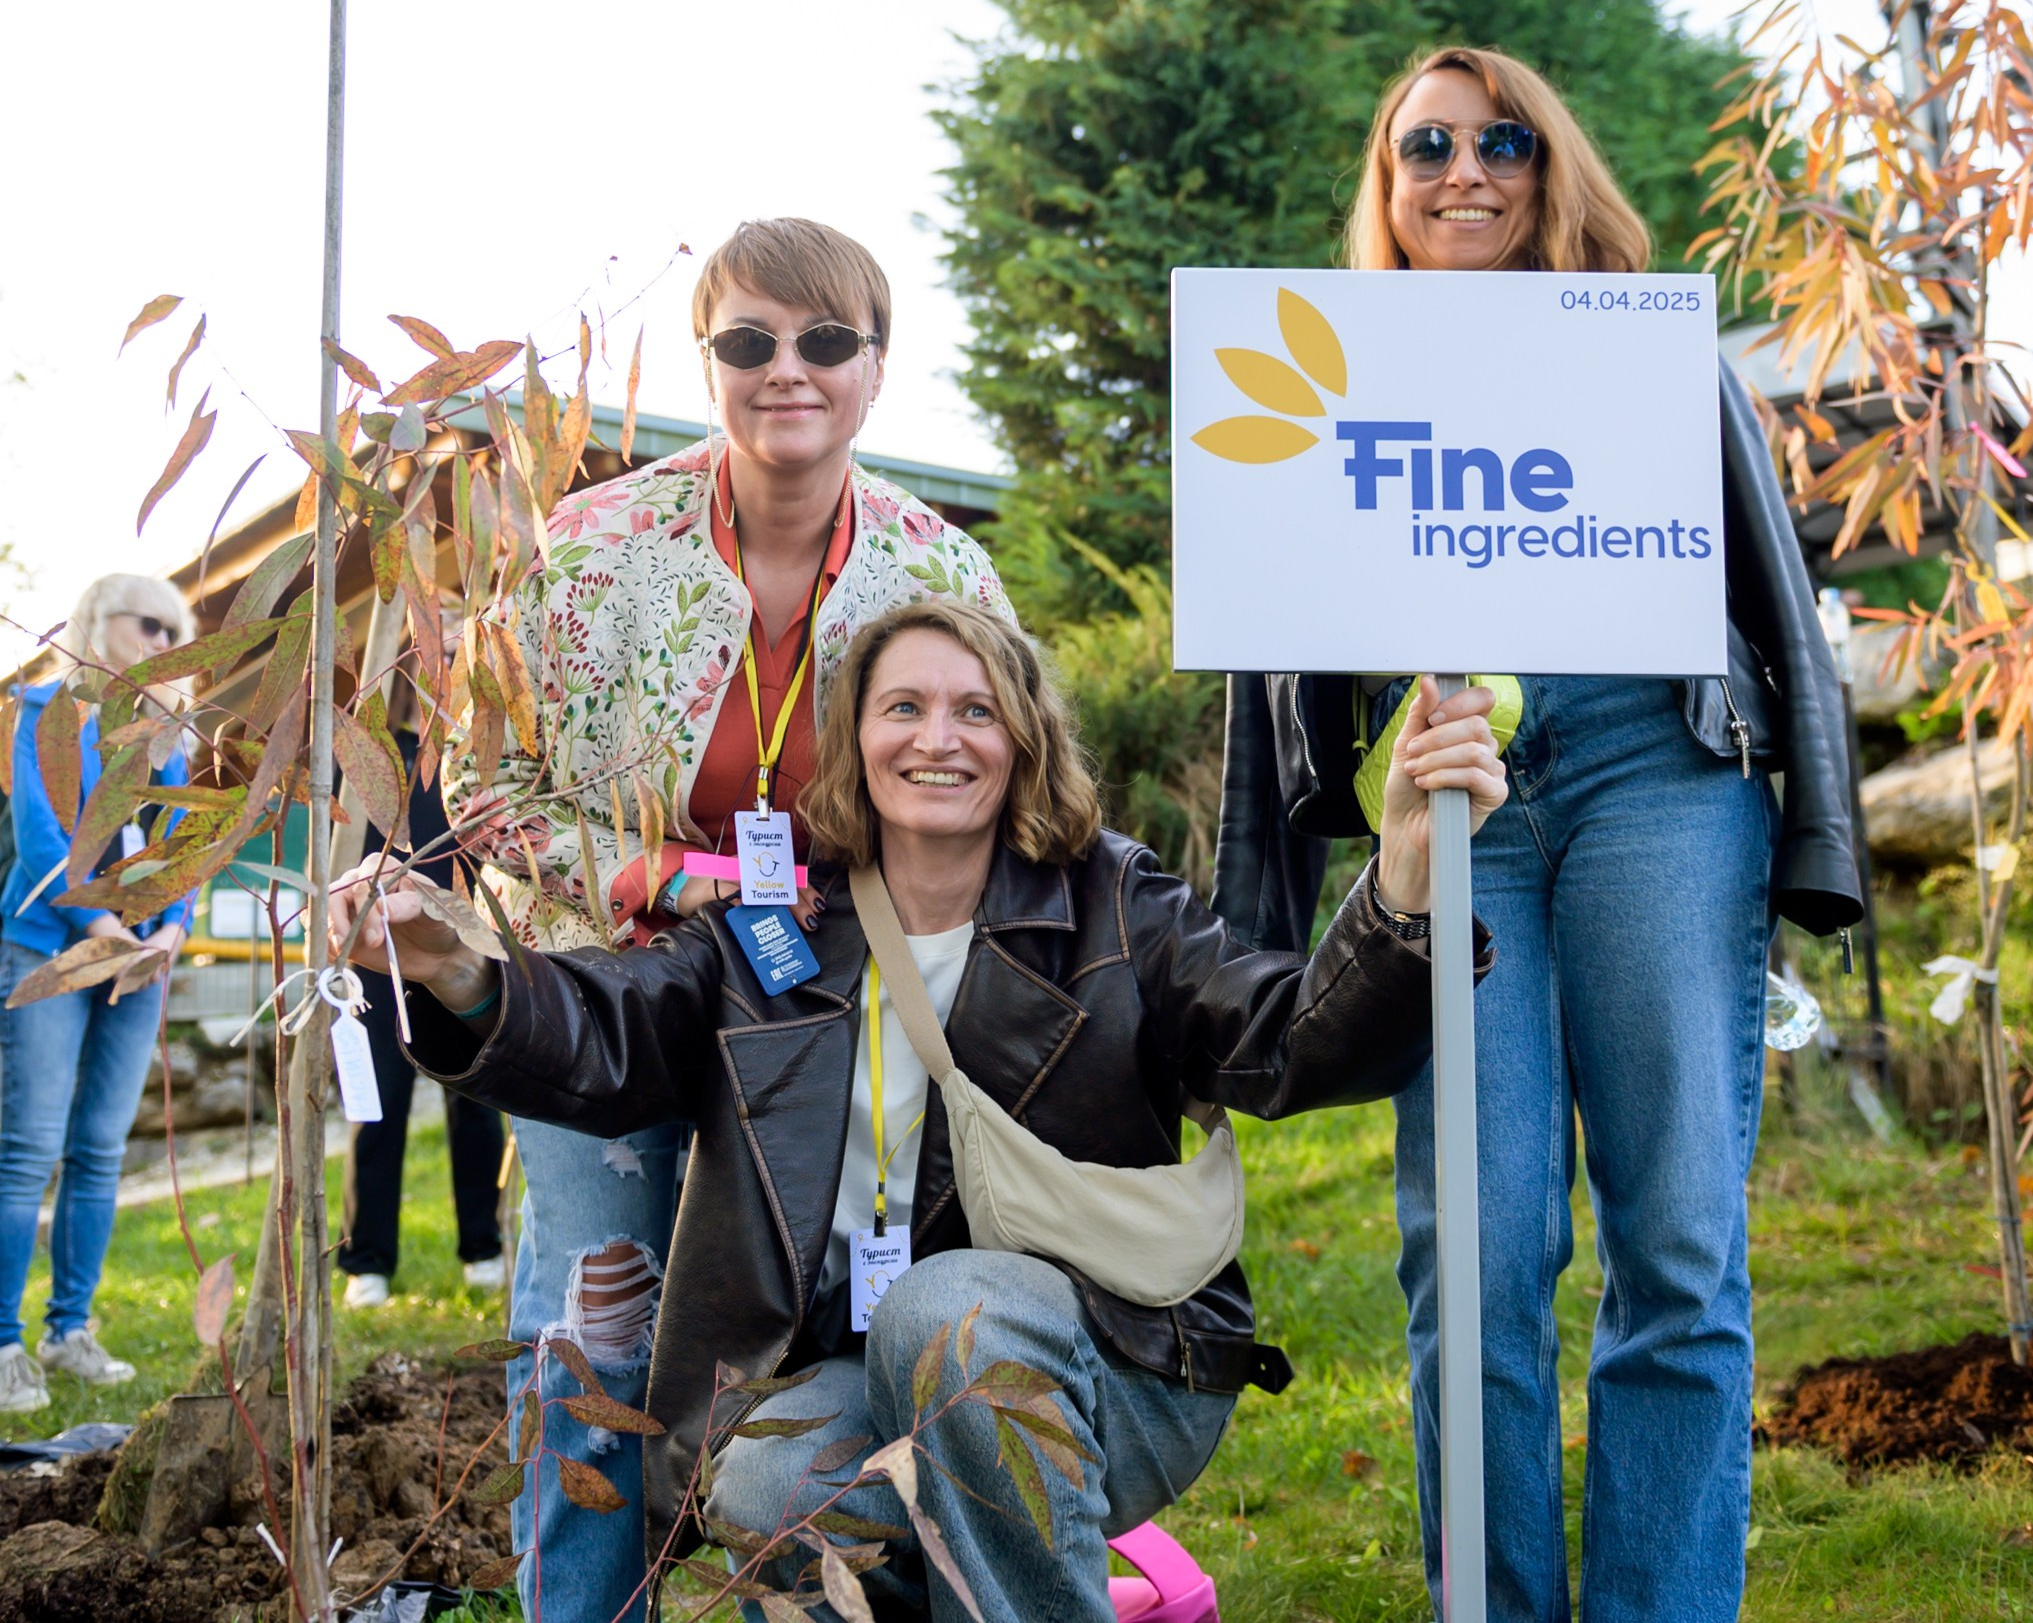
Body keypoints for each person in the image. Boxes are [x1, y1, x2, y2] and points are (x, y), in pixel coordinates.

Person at [335, 598, 1508, 1621]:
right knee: (763, 1479)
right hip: (868, 1371)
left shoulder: (1113, 900)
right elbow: (606, 1030)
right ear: (854, 741)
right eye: (901, 708)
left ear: (1022, 740)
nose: (936, 738)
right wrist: (460, 973)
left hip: (1113, 1367)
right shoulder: (768, 942)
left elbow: (1284, 1043)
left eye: (974, 710)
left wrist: (1397, 888)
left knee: (946, 1314)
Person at [1211, 47, 1863, 1623]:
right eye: (1424, 144)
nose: (1465, 171)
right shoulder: (1315, 370)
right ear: (1386, 181)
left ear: (1548, 166)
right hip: (1458, 801)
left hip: (1661, 772)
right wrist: (1251, 934)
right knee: (1479, 1257)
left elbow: (1775, 591)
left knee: (1680, 1240)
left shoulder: (1651, 352)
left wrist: (1822, 832)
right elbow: (1270, 651)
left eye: (1503, 141)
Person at [442, 218, 1015, 1622]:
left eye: (826, 342)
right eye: (748, 343)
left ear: (877, 366)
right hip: (600, 1000)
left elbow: (1004, 793)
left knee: (822, 1342)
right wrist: (673, 883)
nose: (788, 372)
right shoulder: (590, 550)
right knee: (594, 1331)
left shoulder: (941, 578)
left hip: (827, 1024)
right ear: (708, 362)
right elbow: (481, 791)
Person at [0, 574, 198, 1413]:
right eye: (150, 625)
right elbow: (42, 832)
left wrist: (174, 929)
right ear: (98, 620)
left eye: (175, 631)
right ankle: (4, 1344)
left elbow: (184, 838)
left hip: (138, 960)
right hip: (52, 943)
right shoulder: (43, 708)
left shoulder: (168, 736)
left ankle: (69, 1329)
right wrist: (95, 927)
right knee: (29, 1147)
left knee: (100, 1150)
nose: (164, 643)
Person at [337, 729, 506, 1309]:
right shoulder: (364, 742)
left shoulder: (472, 738)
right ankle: (368, 1259)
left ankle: (483, 1246)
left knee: (479, 1098)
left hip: (461, 934)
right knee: (379, 1099)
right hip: (378, 942)